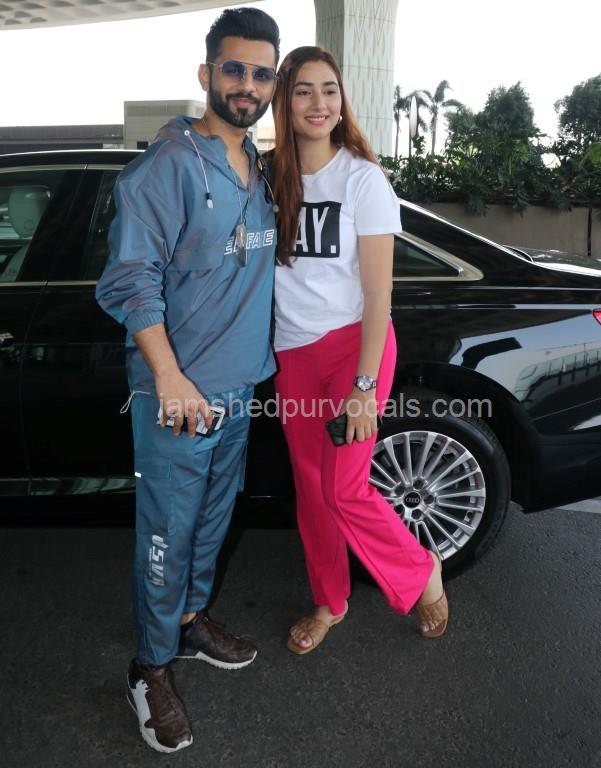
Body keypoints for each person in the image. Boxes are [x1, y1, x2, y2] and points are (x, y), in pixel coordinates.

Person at [95, 8, 280, 753]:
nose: (247, 85)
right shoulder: (167, 166)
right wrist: (168, 376)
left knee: (211, 522)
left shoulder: (258, 168)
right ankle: (149, 664)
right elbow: (129, 279)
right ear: (206, 74)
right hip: (178, 395)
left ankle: (190, 621)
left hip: (237, 388)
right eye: (234, 69)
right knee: (167, 535)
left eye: (261, 73)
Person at [269, 46, 449, 655]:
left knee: (345, 487)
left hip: (354, 349)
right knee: (312, 488)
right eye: (303, 90)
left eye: (329, 89)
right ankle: (330, 602)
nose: (318, 102)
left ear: (341, 99)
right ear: (285, 101)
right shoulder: (268, 177)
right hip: (292, 353)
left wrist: (365, 388)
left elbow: (378, 294)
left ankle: (421, 572)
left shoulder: (362, 178)